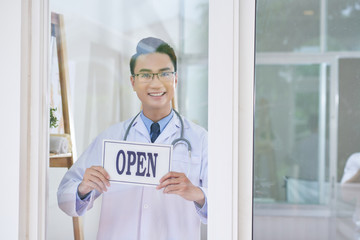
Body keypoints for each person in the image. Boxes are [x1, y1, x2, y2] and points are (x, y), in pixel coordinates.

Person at [57, 37, 208, 240]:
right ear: (133, 82)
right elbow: (64, 196)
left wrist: (197, 194)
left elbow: (227, 207)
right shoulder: (110, 138)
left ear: (175, 79)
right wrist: (83, 189)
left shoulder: (200, 139)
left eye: (164, 73)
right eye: (146, 75)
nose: (156, 83)